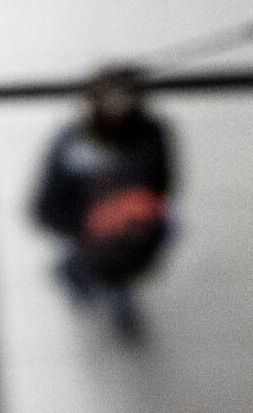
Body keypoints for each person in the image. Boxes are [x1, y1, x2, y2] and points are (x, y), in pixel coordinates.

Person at [31, 66, 178, 341]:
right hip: (86, 233)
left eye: (126, 100)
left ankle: (111, 283)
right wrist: (90, 224)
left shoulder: (149, 136)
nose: (118, 108)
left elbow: (162, 188)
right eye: (110, 100)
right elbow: (46, 205)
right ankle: (86, 277)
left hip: (134, 231)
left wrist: (130, 213)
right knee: (97, 273)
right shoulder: (72, 141)